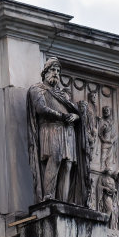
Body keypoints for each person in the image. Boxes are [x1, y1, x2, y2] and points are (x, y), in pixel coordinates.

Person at [25, 58, 88, 204]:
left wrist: (76, 116)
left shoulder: (63, 94)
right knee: (55, 159)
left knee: (68, 164)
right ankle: (49, 196)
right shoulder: (37, 89)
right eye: (53, 70)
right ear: (45, 72)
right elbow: (41, 108)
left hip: (68, 132)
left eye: (58, 71)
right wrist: (61, 116)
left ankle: (64, 201)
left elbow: (74, 109)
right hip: (50, 129)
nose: (56, 73)